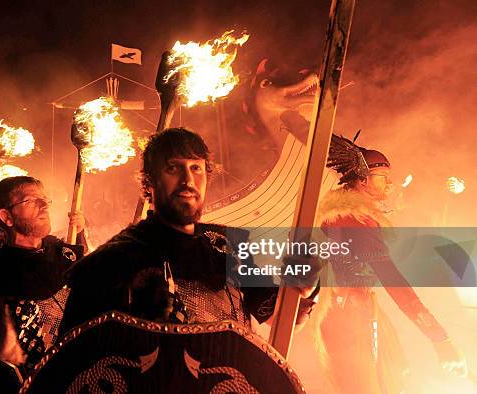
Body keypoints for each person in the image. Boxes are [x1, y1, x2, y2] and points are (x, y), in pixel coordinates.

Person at [60, 127, 320, 334]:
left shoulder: (227, 246)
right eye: (173, 168)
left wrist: (305, 287)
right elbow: (76, 366)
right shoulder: (109, 262)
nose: (188, 180)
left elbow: (282, 317)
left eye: (196, 168)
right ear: (149, 182)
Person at [312, 134, 467, 393]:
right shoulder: (354, 220)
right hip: (347, 319)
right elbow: (392, 279)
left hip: (349, 311)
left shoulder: (345, 216)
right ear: (362, 180)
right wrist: (440, 338)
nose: (390, 184)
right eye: (383, 178)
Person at [0, 176, 83, 374]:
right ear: (6, 217)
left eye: (44, 199)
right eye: (30, 201)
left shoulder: (66, 256)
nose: (44, 205)